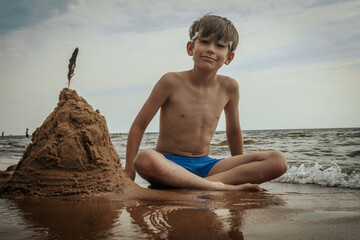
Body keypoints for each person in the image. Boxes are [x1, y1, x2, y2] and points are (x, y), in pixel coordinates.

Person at [125, 14, 287, 191]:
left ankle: (202, 186)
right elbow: (139, 126)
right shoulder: (170, 81)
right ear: (190, 47)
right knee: (144, 158)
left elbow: (233, 132)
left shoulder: (229, 87)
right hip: (170, 164)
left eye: (220, 45)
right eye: (204, 42)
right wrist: (129, 172)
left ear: (229, 57)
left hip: (207, 167)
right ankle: (219, 187)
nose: (211, 49)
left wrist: (239, 170)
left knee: (277, 161)